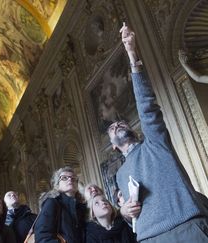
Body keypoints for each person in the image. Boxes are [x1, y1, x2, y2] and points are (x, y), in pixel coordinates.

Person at [108, 23, 208, 242]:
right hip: (149, 237)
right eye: (112, 129)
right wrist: (125, 211)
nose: (116, 125)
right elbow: (128, 212)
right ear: (114, 146)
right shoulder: (120, 174)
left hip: (187, 226)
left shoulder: (155, 142)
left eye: (120, 123)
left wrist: (133, 56)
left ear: (133, 130)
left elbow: (147, 106)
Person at [34, 166, 85, 243]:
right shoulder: (52, 203)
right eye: (64, 178)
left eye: (73, 178)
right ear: (57, 185)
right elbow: (43, 236)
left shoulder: (82, 206)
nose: (70, 180)